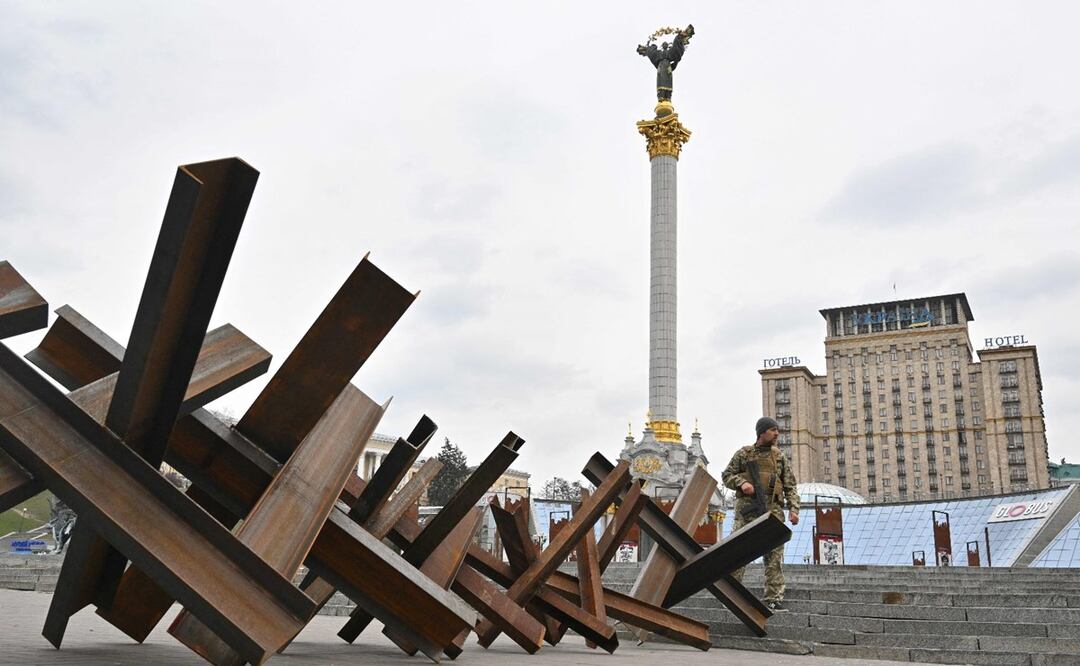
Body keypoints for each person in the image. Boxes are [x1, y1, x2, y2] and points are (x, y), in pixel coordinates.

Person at [721, 416, 799, 612]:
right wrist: (742, 483)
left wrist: (794, 510)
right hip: (746, 512)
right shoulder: (744, 454)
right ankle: (731, 593)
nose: (777, 434)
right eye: (773, 430)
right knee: (739, 551)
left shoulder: (779, 457)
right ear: (762, 432)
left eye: (777, 430)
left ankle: (773, 598)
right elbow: (726, 475)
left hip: (773, 511)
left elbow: (790, 485)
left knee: (773, 555)